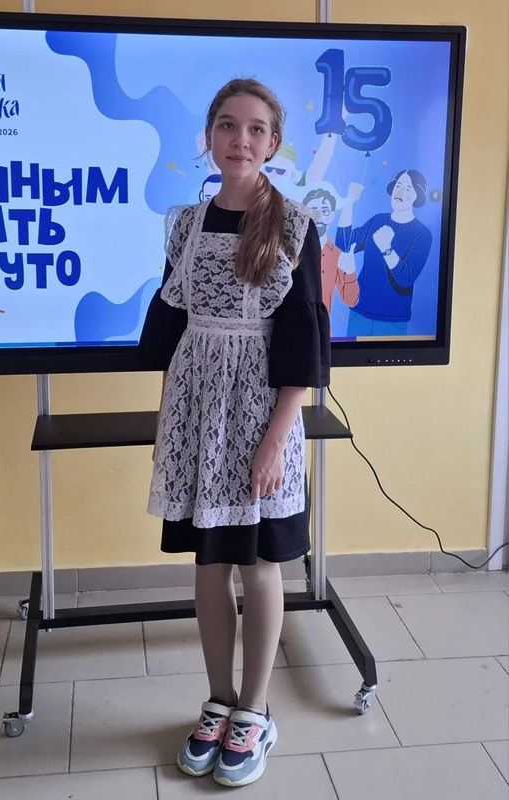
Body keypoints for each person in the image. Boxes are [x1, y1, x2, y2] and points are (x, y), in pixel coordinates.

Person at [139, 78, 330, 788]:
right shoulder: (186, 224)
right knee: (209, 564)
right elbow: (172, 329)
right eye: (226, 125)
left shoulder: (294, 227)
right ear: (210, 137)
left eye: (254, 129)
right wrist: (173, 426)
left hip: (260, 418)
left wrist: (276, 440)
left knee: (260, 564)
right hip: (197, 414)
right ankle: (218, 701)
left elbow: (304, 344)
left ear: (273, 143)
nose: (239, 139)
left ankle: (255, 710)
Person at [336, 170, 433, 337]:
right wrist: (349, 203)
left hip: (393, 320)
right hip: (359, 313)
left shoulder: (422, 234)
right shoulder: (377, 220)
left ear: (417, 196)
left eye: (408, 188)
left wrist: (387, 249)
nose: (400, 192)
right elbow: (343, 245)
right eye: (398, 185)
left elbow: (406, 278)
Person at [302, 186, 359, 316]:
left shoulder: (337, 255)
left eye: (325, 211)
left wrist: (350, 271)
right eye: (313, 210)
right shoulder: (289, 247)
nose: (319, 216)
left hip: (321, 327)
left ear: (332, 216)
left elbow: (351, 300)